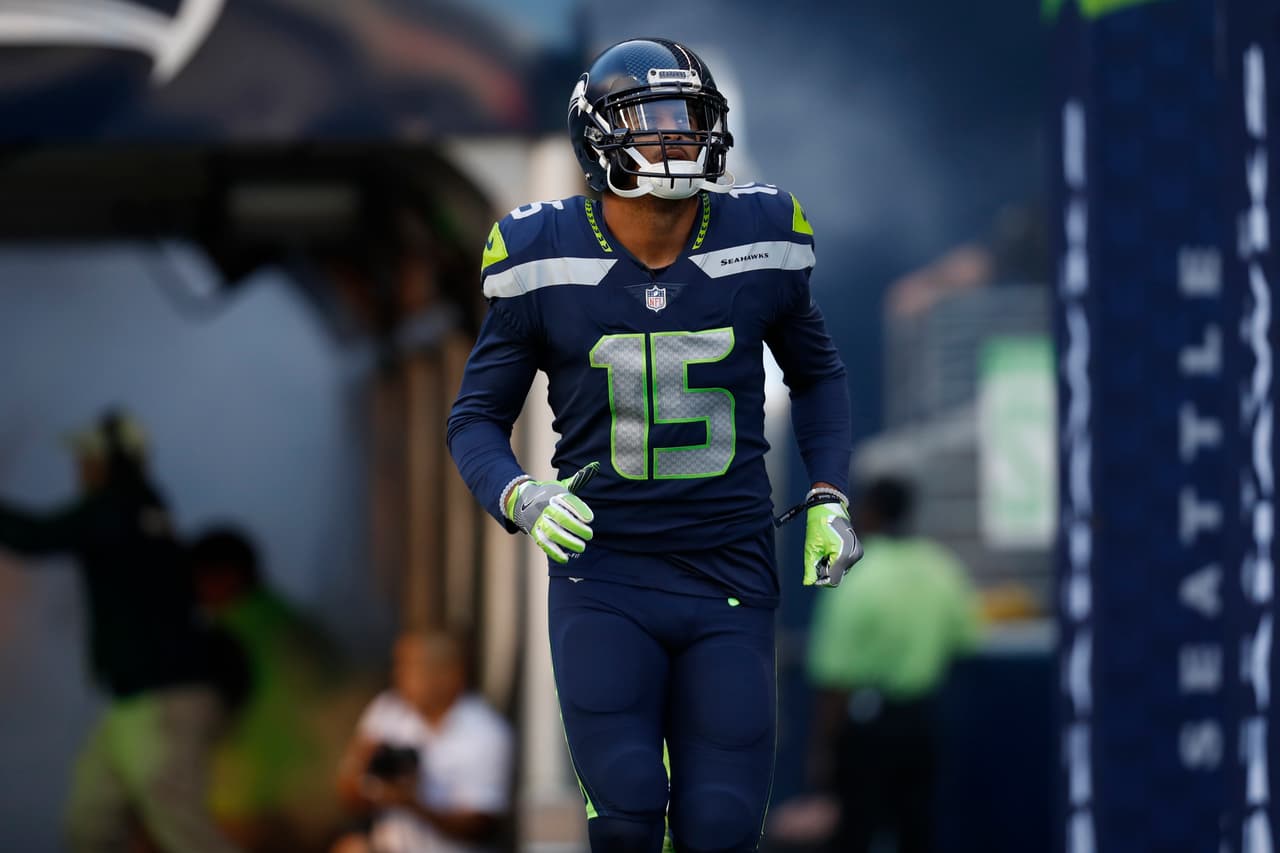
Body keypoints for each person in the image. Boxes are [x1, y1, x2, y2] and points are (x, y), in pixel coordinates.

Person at [447, 38, 861, 853]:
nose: (677, 138)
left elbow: (819, 376)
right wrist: (521, 495)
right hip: (608, 572)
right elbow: (474, 418)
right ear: (597, 136)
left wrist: (829, 492)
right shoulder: (542, 253)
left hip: (730, 569)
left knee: (722, 824)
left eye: (688, 119)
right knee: (629, 811)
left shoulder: (761, 232)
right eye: (654, 121)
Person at [0, 409, 244, 853]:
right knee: (90, 821)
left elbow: (34, 536)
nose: (81, 468)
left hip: (163, 700)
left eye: (89, 457)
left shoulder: (118, 507)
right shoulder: (143, 508)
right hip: (137, 701)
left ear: (114, 460)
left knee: (184, 831)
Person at [805, 476, 982, 853]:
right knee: (917, 828)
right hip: (922, 720)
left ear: (869, 512)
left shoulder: (855, 574)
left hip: (866, 724)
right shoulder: (941, 567)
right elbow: (964, 639)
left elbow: (835, 674)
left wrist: (823, 748)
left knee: (855, 829)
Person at [190, 526, 346, 852]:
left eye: (198, 578)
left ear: (225, 577)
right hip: (318, 793)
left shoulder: (221, 638)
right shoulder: (294, 621)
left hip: (249, 798)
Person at [331, 631, 514, 853]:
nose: (399, 675)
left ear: (450, 675)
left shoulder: (486, 732)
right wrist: (366, 771)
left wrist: (413, 803)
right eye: (400, 665)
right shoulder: (386, 712)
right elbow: (346, 796)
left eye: (413, 666)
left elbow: (483, 826)